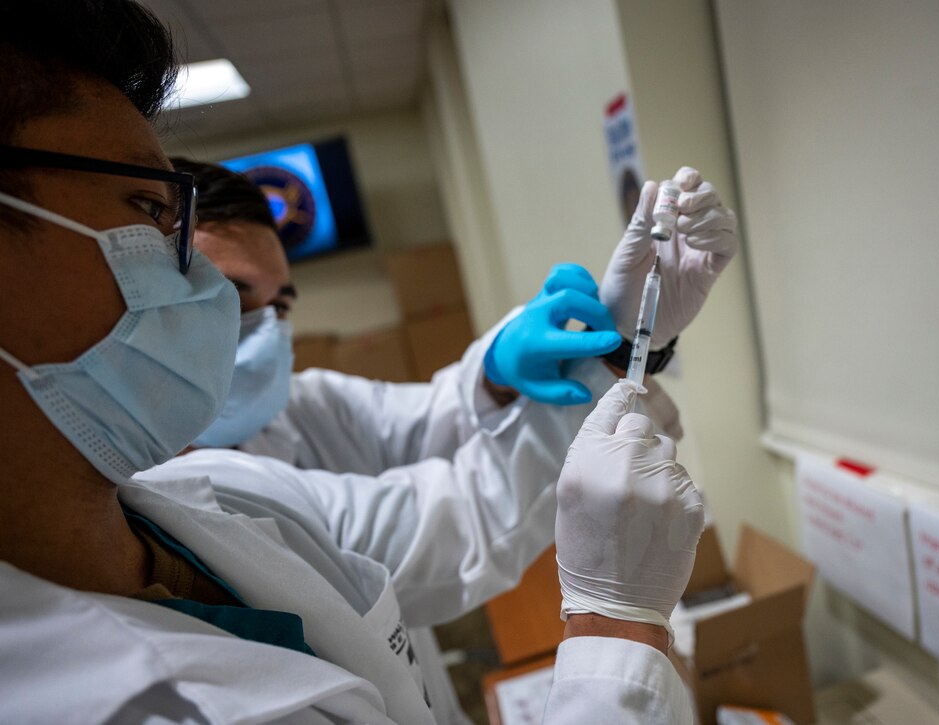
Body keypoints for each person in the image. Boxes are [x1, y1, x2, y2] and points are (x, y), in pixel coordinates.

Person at [0, 2, 736, 722]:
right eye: (148, 211)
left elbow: (459, 503)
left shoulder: (219, 497)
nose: (214, 308)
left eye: (279, 302)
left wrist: (620, 343)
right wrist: (615, 631)